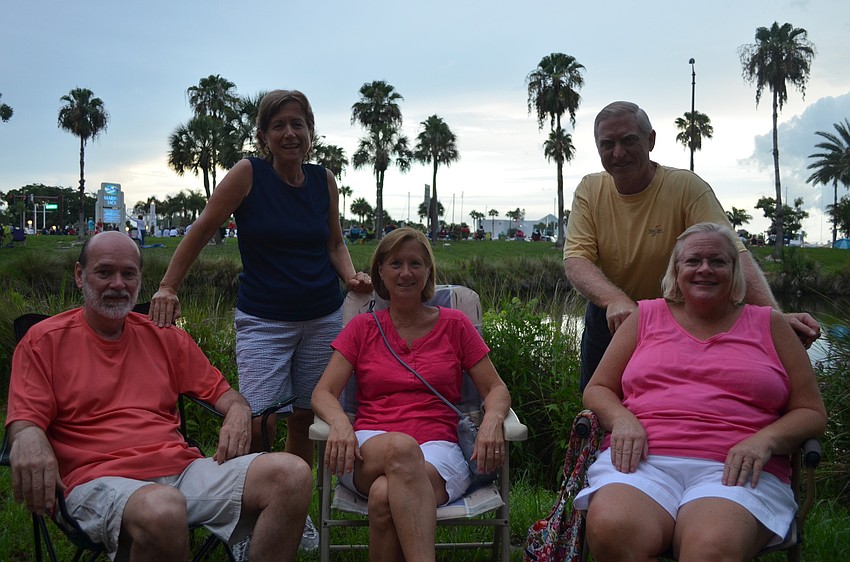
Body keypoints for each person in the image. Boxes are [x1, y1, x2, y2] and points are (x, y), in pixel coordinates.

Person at [149, 89, 372, 549]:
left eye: (298, 124)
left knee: (307, 418)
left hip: (322, 316)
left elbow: (333, 243)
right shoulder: (248, 174)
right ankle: (244, 514)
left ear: (311, 131)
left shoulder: (323, 180)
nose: (290, 133)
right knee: (259, 422)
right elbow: (201, 229)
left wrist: (351, 277)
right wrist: (168, 286)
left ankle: (293, 511)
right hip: (264, 321)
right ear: (264, 135)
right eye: (279, 126)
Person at [6, 231, 311, 561]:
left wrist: (238, 411)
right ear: (80, 276)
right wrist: (28, 438)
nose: (118, 284)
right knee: (163, 509)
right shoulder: (43, 341)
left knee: (292, 475)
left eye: (128, 273)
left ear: (140, 278)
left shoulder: (164, 337)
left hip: (180, 474)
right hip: (94, 480)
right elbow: (25, 421)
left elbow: (224, 394)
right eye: (104, 272)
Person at [574, 222, 827, 561]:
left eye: (718, 261)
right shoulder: (644, 317)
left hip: (736, 467)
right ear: (676, 271)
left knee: (710, 549)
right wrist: (621, 419)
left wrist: (764, 440)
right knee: (614, 530)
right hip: (643, 461)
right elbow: (598, 388)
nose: (704, 269)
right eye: (693, 261)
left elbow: (811, 412)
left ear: (735, 272)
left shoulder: (772, 325)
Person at [564, 100, 820, 391]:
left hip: (676, 316)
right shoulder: (590, 189)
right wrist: (614, 300)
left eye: (629, 140)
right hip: (613, 314)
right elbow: (576, 260)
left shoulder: (687, 187)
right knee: (596, 403)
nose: (618, 152)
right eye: (607, 144)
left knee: (665, 400)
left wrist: (774, 318)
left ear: (651, 140)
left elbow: (733, 253)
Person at [311, 227, 511, 562]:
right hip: (368, 447)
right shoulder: (363, 328)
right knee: (401, 447)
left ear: (428, 271)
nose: (406, 273)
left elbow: (495, 388)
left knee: (383, 495)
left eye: (416, 263)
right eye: (396, 264)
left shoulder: (455, 324)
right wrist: (340, 424)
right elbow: (323, 393)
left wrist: (492, 421)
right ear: (380, 272)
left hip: (440, 451)